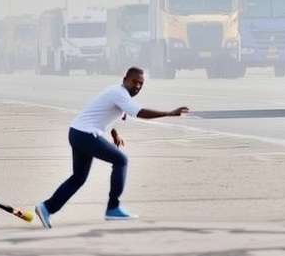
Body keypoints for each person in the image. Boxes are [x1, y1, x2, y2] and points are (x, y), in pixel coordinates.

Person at [35, 67, 188, 228]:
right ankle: (113, 208)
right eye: (134, 81)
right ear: (125, 79)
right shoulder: (119, 93)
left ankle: (46, 208)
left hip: (77, 133)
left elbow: (105, 114)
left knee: (79, 178)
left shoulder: (118, 93)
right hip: (85, 134)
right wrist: (169, 113)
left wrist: (115, 134)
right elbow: (139, 112)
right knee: (121, 160)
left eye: (141, 84)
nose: (137, 86)